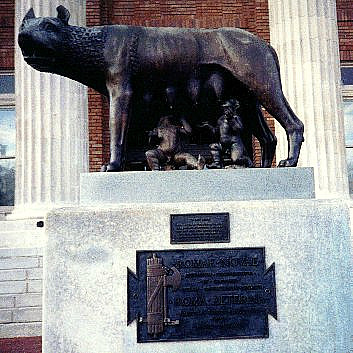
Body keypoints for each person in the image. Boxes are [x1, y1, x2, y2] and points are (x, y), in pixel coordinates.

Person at [200, 99, 254, 169]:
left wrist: (231, 119)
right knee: (213, 147)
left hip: (234, 144)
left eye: (227, 108)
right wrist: (209, 126)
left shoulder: (236, 118)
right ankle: (217, 164)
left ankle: (246, 160)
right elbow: (216, 131)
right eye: (224, 108)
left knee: (235, 160)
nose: (225, 110)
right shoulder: (221, 119)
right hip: (223, 145)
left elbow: (239, 129)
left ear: (232, 108)